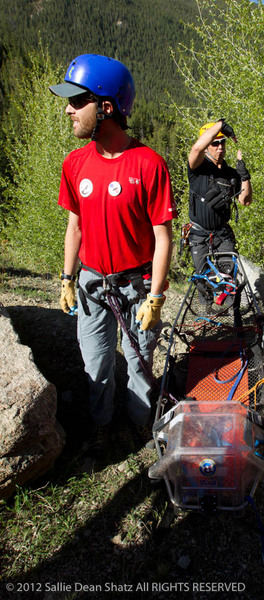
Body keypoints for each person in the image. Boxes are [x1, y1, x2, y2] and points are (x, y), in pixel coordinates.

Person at [49, 54, 177, 453]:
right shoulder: (75, 163)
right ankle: (102, 425)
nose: (68, 109)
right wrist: (68, 279)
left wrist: (155, 296)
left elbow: (163, 237)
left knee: (139, 363)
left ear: (107, 107)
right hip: (91, 283)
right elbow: (75, 226)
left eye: (77, 101)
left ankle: (139, 422)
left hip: (136, 285)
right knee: (96, 363)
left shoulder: (149, 164)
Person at [187, 120, 252, 305]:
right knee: (203, 279)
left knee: (228, 277)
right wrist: (221, 125)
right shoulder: (197, 169)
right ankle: (206, 312)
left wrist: (244, 176)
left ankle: (230, 315)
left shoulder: (231, 173)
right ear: (207, 146)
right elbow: (196, 149)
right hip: (199, 234)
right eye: (214, 143)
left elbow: (245, 200)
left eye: (222, 142)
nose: (220, 147)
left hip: (222, 234)